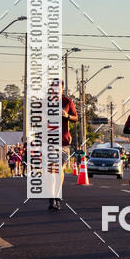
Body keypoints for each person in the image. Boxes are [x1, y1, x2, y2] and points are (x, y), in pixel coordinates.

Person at [48, 80, 78, 212]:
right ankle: (52, 198)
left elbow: (76, 118)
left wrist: (67, 115)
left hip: (64, 141)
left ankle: (57, 194)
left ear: (62, 89)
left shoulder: (67, 101)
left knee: (60, 170)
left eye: (59, 88)